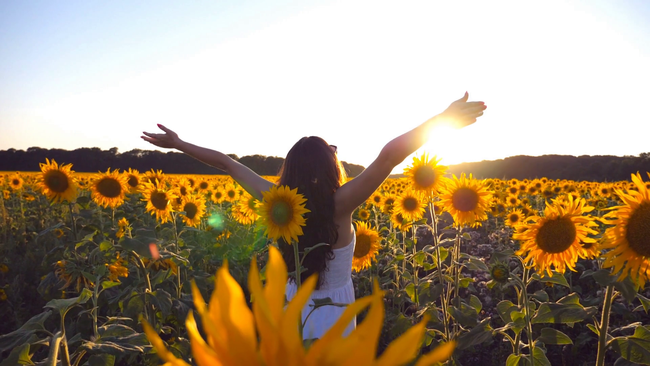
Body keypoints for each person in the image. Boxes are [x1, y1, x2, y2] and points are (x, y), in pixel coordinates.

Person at [141, 92, 486, 339]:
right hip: (335, 309)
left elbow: (227, 164)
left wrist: (179, 144)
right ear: (328, 166)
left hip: (292, 303)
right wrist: (440, 121)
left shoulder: (276, 200)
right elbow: (387, 158)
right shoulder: (340, 204)